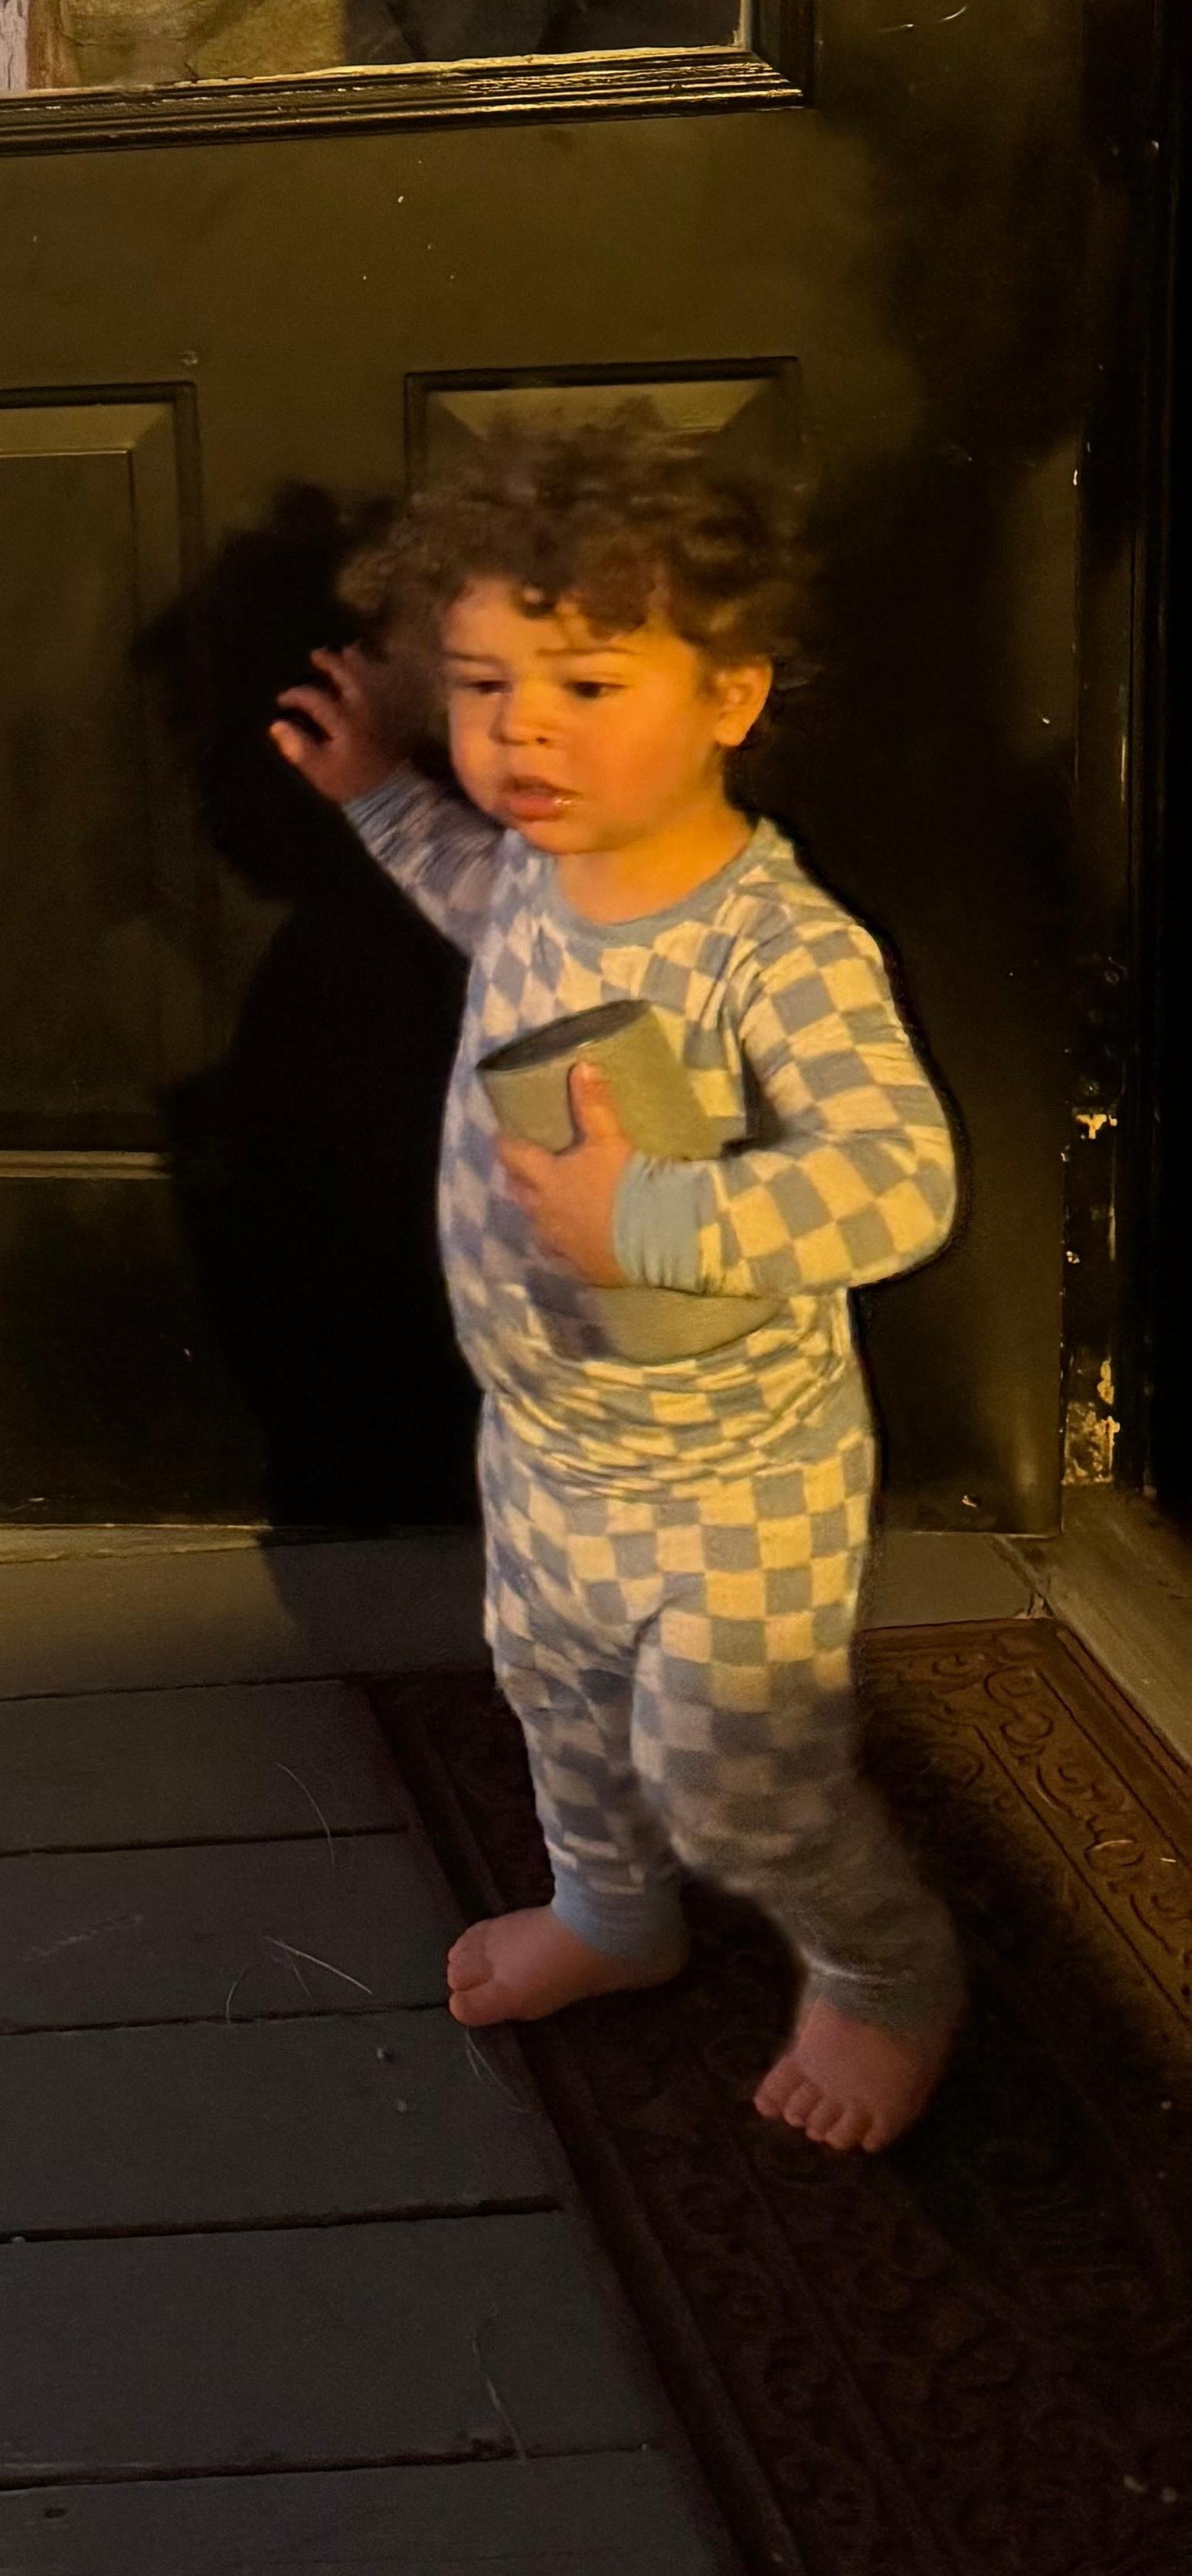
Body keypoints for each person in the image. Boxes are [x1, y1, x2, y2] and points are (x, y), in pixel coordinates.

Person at [270, 417, 963, 2152]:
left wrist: (653, 1216)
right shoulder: (542, 870)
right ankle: (611, 1915)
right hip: (550, 1446)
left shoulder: (773, 947)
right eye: (486, 686)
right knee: (559, 1708)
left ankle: (885, 1974)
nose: (524, 731)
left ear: (732, 695)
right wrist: (380, 794)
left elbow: (904, 1180)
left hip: (741, 1481)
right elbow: (478, 899)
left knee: (742, 1792)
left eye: (585, 685)